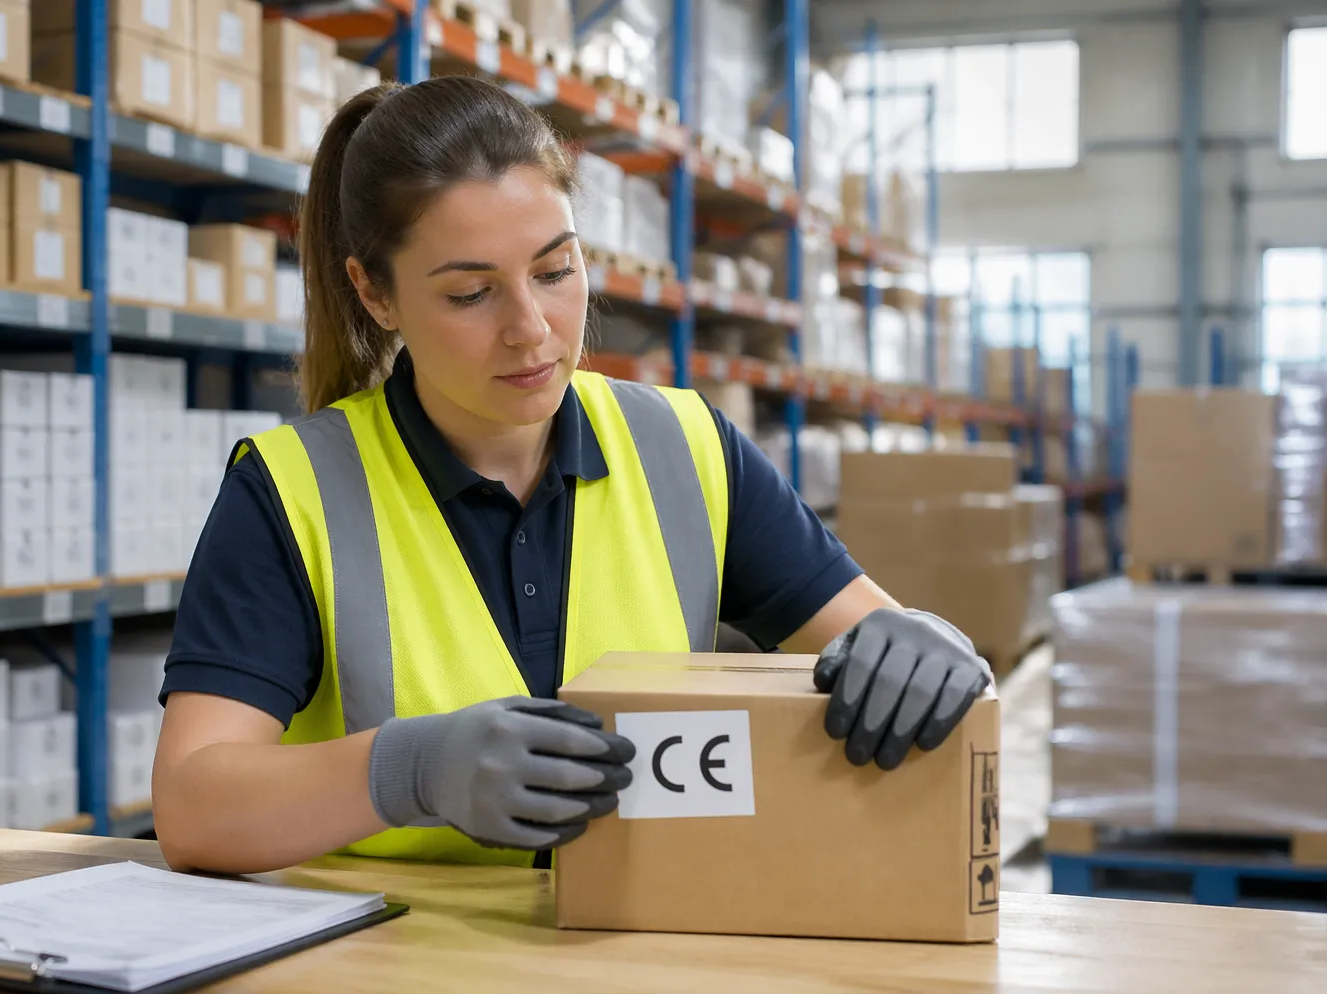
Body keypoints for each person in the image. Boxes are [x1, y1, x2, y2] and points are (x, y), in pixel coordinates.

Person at [152, 76, 991, 876]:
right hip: (394, 980)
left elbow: (870, 636)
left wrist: (920, 639)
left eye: (555, 272)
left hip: (636, 961)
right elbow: (192, 807)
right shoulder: (293, 492)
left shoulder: (685, 448)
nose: (532, 330)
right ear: (375, 296)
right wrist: (411, 769)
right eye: (471, 294)